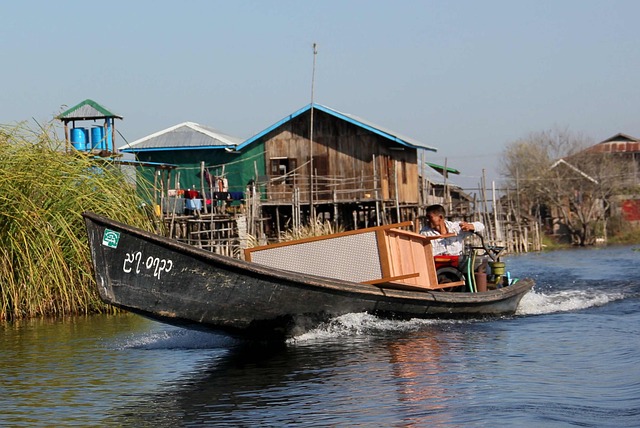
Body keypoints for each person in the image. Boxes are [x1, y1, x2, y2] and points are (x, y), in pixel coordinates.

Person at [420, 204, 485, 256]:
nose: (427, 220)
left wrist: (470, 226)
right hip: (436, 265)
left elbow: (481, 226)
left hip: (456, 265)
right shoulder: (425, 233)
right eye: (427, 217)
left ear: (440, 217)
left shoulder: (455, 227)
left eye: (430, 217)